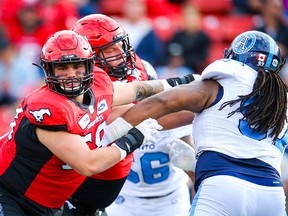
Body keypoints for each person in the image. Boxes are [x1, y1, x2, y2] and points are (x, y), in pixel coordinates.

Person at [0, 29, 196, 216]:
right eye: (62, 68)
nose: (71, 74)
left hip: (49, 204)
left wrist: (185, 82)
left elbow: (137, 90)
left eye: (77, 66)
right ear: (49, 70)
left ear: (89, 66)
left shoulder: (98, 85)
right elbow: (88, 163)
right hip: (12, 195)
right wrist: (134, 138)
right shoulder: (48, 108)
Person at [115, 30, 288, 216]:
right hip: (271, 193)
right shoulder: (281, 101)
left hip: (222, 184)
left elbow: (163, 102)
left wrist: (115, 126)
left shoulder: (221, 83)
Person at [61, 13, 196, 216]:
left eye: (120, 45)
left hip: (169, 198)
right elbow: (135, 113)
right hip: (117, 196)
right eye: (109, 49)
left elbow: (160, 107)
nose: (120, 53)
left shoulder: (140, 68)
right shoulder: (84, 95)